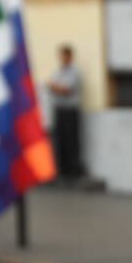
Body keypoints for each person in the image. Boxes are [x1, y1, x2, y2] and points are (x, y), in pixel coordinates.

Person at [48, 44, 85, 181]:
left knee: (71, 140)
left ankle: (73, 170)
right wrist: (55, 87)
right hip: (59, 110)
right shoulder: (58, 72)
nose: (62, 58)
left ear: (70, 56)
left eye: (64, 56)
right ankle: (61, 170)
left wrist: (55, 87)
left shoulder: (75, 72)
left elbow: (66, 90)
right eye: (60, 56)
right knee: (60, 140)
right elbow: (51, 86)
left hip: (70, 110)